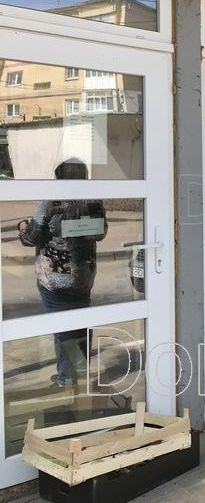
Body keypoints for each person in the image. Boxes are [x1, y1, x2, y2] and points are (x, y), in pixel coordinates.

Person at [18, 159, 107, 386]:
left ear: (59, 177)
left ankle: (68, 380)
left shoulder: (50, 201)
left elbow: (30, 238)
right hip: (83, 276)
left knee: (63, 329)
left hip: (54, 280)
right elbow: (101, 232)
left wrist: (22, 227)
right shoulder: (93, 200)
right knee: (80, 326)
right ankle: (78, 374)